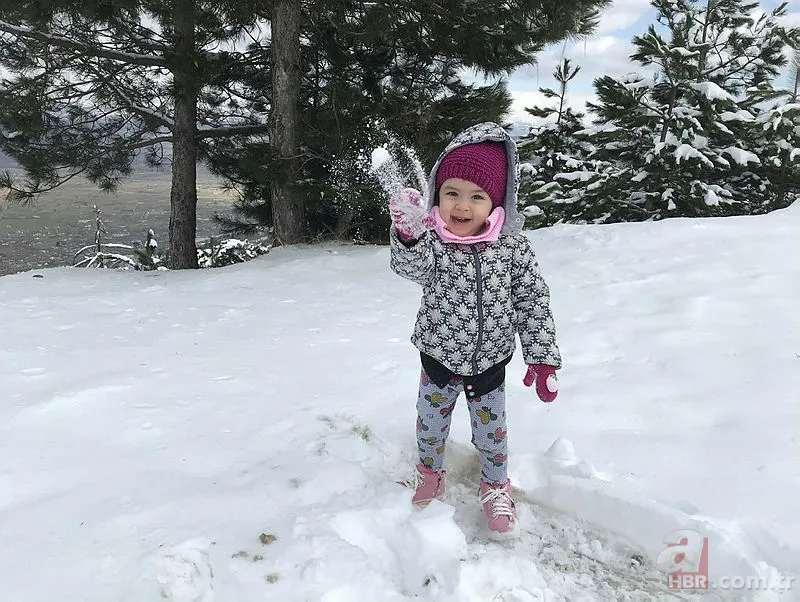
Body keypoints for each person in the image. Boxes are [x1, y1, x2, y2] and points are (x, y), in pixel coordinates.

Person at [388, 122, 562, 539]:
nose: (462, 206)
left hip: (489, 364)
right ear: (437, 195)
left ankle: (495, 486)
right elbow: (411, 268)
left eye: (476, 196)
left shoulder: (513, 248)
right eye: (452, 193)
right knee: (430, 424)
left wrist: (541, 357)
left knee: (492, 432)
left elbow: (532, 300)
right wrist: (408, 236)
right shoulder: (433, 242)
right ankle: (430, 474)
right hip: (438, 358)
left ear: (496, 202)